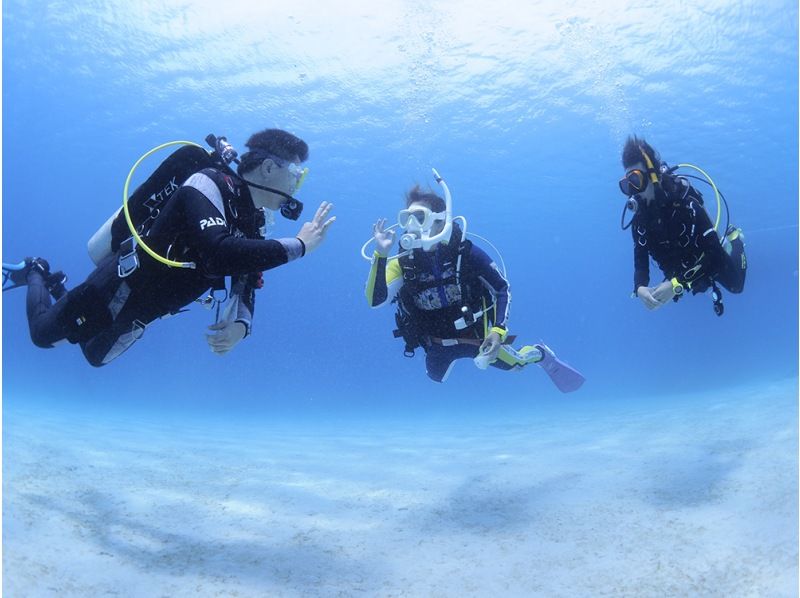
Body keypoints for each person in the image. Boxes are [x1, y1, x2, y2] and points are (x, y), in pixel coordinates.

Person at [4, 128, 335, 366]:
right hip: (114, 290)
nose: (298, 182)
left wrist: (241, 326)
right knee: (41, 335)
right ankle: (36, 270)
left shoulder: (251, 221)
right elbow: (218, 253)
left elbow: (247, 279)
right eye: (297, 173)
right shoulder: (207, 183)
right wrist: (300, 245)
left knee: (94, 356)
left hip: (142, 313)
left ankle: (57, 286)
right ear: (268, 167)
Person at [364, 181, 584, 392]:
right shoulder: (404, 262)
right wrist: (380, 255)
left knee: (517, 364)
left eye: (420, 217)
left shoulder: (465, 253)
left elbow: (501, 288)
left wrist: (498, 331)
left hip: (478, 339)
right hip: (435, 344)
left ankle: (540, 354)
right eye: (407, 218)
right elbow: (375, 300)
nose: (412, 226)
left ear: (441, 220)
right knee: (435, 378)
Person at [619, 135, 747, 315]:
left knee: (736, 285)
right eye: (627, 185)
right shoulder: (640, 220)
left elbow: (715, 253)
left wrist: (676, 284)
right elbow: (640, 262)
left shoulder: (685, 204)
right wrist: (640, 287)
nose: (633, 192)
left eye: (636, 181)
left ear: (654, 176)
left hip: (706, 259)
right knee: (699, 286)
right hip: (680, 272)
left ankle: (735, 238)